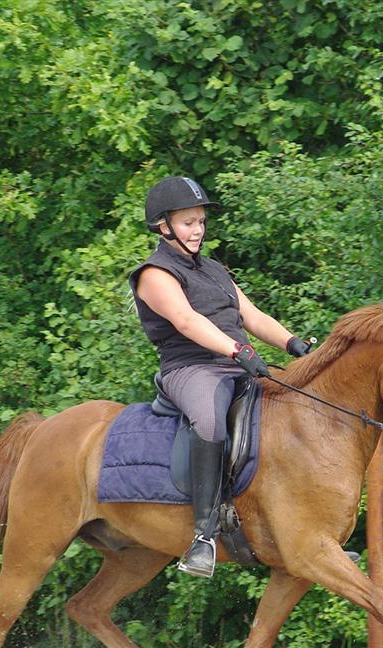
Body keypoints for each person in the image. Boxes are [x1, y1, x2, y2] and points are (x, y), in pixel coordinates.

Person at [130, 175, 312, 578]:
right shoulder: (154, 274)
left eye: (200, 222)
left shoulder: (213, 269)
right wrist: (236, 349)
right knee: (210, 422)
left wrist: (293, 344)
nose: (197, 230)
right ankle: (203, 536)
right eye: (188, 223)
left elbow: (252, 316)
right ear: (164, 226)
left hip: (235, 363)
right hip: (191, 369)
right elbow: (186, 320)